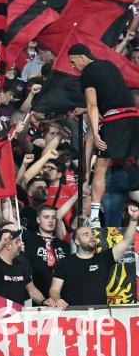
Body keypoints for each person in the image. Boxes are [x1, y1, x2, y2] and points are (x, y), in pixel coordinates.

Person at [70, 43, 139, 226]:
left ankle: (93, 215)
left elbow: (93, 105)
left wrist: (96, 132)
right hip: (134, 117)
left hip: (116, 122)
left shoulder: (87, 74)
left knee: (101, 166)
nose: (72, 66)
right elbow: (112, 97)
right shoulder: (109, 65)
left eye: (72, 61)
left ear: (81, 56)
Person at [50, 206, 139, 308]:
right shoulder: (65, 262)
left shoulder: (104, 258)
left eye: (92, 234)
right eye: (86, 234)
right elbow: (54, 290)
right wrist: (57, 300)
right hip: (73, 316)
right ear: (77, 241)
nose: (91, 237)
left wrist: (133, 219)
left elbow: (126, 241)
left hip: (99, 316)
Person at [0, 225, 49, 305]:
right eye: (17, 241)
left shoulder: (20, 264)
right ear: (8, 246)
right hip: (0, 313)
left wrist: (44, 301)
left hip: (19, 313)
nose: (21, 244)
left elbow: (31, 289)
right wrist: (2, 243)